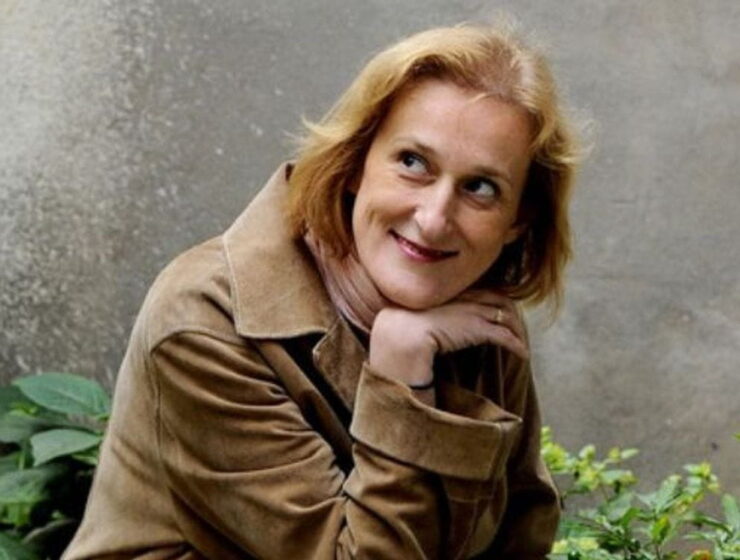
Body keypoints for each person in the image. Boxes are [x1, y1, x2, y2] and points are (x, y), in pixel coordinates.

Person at [64, 22, 581, 560]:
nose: (433, 220)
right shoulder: (204, 320)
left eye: (480, 187)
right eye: (412, 163)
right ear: (355, 162)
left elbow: (523, 536)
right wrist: (401, 379)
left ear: (517, 222)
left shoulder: (476, 317)